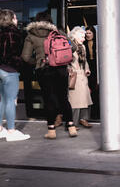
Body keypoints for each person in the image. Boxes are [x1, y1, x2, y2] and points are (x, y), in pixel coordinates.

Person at [21, 11, 78, 139]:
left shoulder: (31, 35)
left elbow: (25, 57)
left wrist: (37, 62)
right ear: (50, 20)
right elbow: (73, 47)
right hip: (61, 69)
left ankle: (51, 130)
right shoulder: (58, 32)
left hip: (44, 70)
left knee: (49, 99)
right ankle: (71, 126)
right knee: (63, 98)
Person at [0, 9, 31, 141]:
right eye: (15, 18)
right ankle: (11, 131)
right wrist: (19, 63)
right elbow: (14, 53)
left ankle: (0, 129)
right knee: (11, 100)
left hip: (0, 69)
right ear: (11, 19)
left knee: (1, 100)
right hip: (10, 70)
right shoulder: (14, 32)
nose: (17, 20)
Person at [68, 26, 93, 128]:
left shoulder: (83, 47)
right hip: (74, 75)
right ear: (75, 36)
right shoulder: (70, 46)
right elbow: (66, 61)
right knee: (75, 101)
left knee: (86, 98)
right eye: (81, 36)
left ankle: (84, 119)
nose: (84, 38)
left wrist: (87, 69)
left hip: (82, 75)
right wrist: (69, 71)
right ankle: (73, 122)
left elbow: (85, 61)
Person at [83, 25, 99, 120]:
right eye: (87, 33)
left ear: (94, 34)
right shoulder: (83, 44)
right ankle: (90, 114)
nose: (88, 35)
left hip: (96, 68)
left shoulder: (97, 43)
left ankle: (96, 113)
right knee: (89, 91)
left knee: (96, 91)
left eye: (90, 33)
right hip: (88, 68)